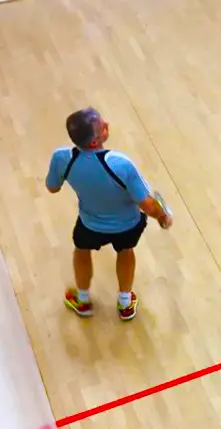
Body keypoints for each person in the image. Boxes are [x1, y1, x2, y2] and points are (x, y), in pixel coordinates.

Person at [46, 107, 172, 321]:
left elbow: (52, 187)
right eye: (103, 127)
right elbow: (147, 204)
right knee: (125, 251)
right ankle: (125, 304)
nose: (107, 125)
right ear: (95, 141)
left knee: (81, 250)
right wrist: (163, 216)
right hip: (128, 225)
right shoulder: (120, 164)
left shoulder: (61, 158)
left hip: (89, 225)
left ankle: (83, 300)